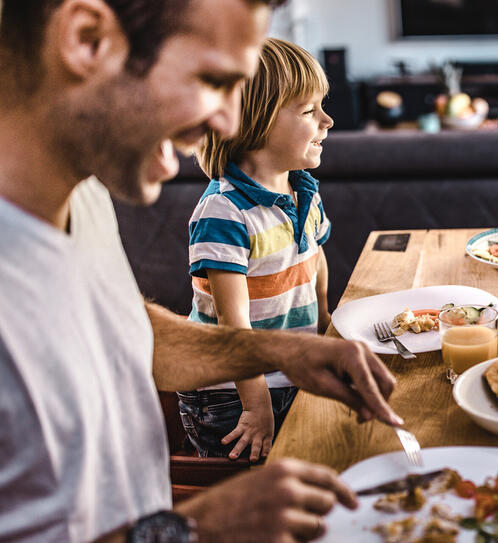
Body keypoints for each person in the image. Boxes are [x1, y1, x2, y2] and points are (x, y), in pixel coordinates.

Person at [0, 1, 402, 541]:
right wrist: (198, 526)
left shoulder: (85, 191)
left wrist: (282, 350)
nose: (231, 123)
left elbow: (123, 330)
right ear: (87, 40)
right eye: (212, 79)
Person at [178, 37, 334, 462]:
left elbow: (313, 258)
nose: (328, 120)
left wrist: (324, 323)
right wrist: (255, 404)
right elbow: (234, 323)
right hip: (233, 394)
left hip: (288, 372)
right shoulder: (225, 211)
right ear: (256, 121)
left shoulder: (302, 189)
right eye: (308, 111)